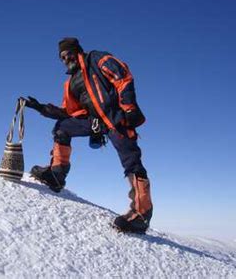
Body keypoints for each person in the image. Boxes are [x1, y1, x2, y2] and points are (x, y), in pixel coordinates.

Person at [22, 37, 153, 234]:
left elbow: (122, 76)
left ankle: (141, 214)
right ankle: (56, 175)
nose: (66, 60)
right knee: (63, 126)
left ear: (77, 51)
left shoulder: (97, 59)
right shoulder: (71, 83)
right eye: (62, 58)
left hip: (117, 119)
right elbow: (68, 111)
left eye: (68, 55)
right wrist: (40, 108)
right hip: (96, 123)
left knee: (131, 161)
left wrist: (129, 107)